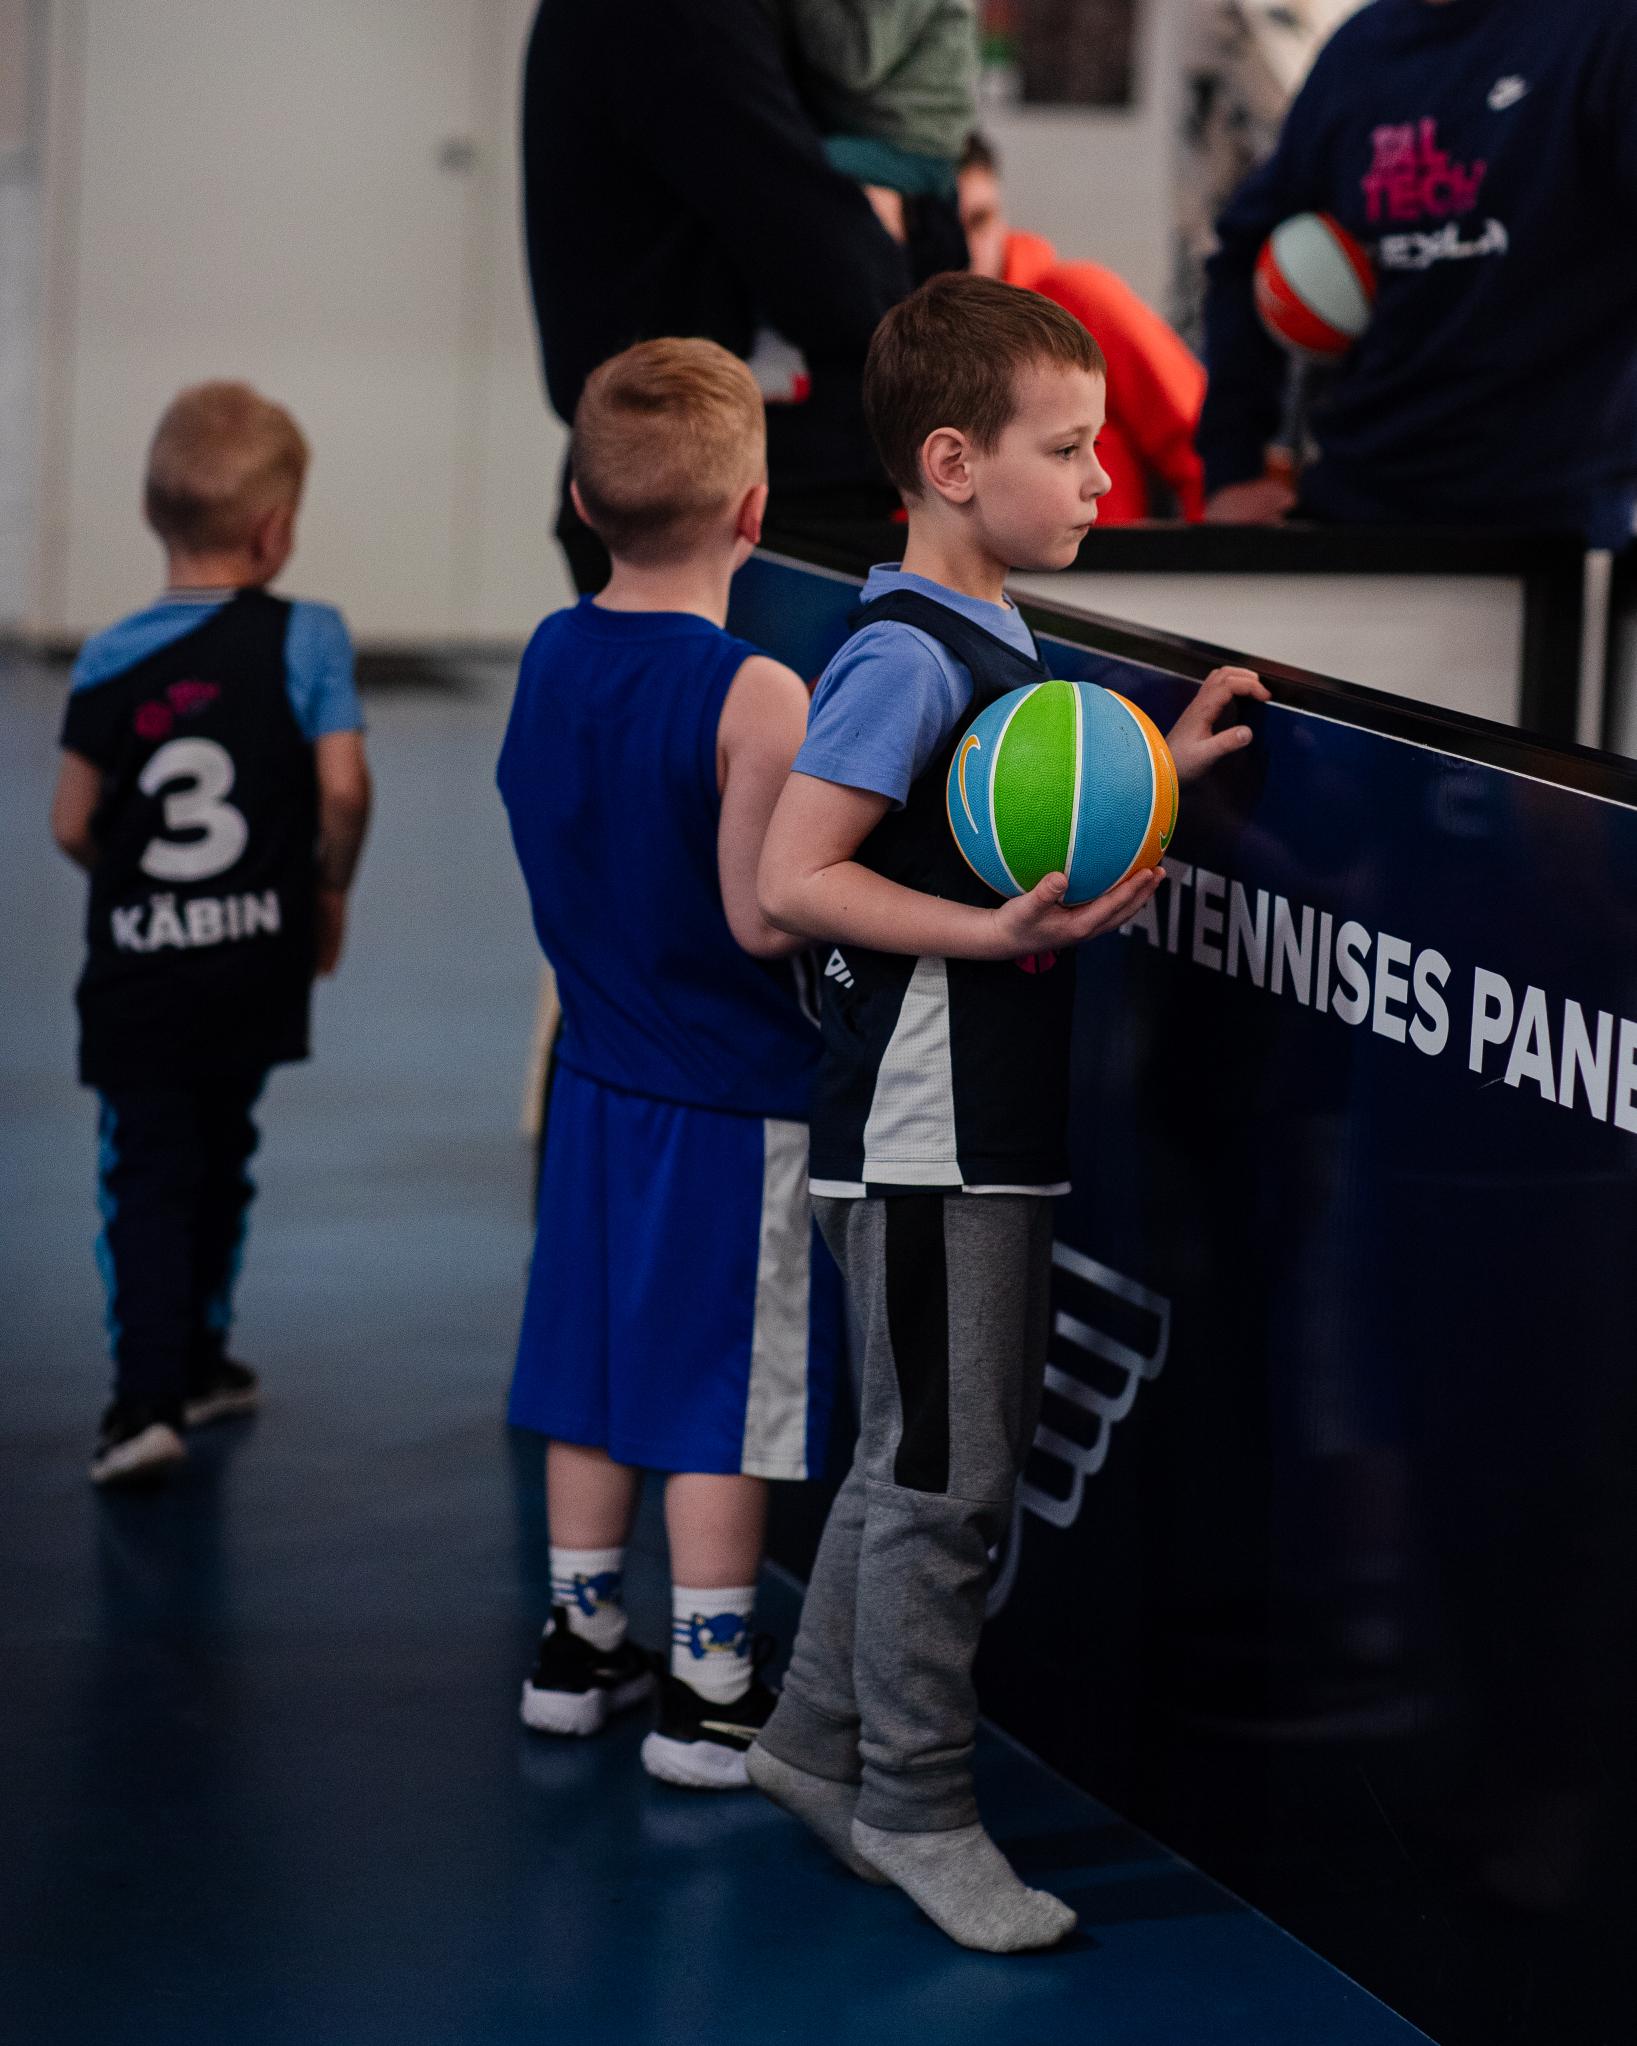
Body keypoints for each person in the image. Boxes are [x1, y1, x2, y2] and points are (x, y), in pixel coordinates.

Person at [745, 274, 1268, 1949]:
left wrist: (1159, 763)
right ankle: (915, 1804)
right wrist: (986, 939)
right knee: (949, 1483)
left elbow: (999, 813)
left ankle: (812, 1745)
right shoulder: (902, 654)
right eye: (1071, 447)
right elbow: (793, 879)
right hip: (925, 1137)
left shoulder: (984, 634)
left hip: (975, 1128)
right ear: (955, 464)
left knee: (912, 1458)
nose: (1104, 476)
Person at [497, 338, 841, 1791]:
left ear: (582, 500)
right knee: (719, 1393)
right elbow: (763, 915)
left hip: (593, 1079)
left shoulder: (548, 650)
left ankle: (578, 1647)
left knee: (589, 1369)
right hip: (730, 1104)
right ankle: (709, 1688)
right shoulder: (756, 692)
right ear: (754, 512)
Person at [50, 382, 371, 1488]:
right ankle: (200, 1360)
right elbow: (344, 790)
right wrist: (327, 890)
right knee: (225, 1145)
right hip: (257, 956)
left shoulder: (104, 657)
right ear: (274, 530)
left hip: (140, 972)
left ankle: (144, 1401)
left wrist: (131, 879)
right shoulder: (308, 636)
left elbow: (69, 824)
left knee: (145, 1168)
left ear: (154, 514)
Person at [1198, 0, 1637, 542]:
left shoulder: (1606, 29)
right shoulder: (1358, 51)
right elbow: (1243, 252)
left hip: (1558, 529)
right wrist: (1233, 468)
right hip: (1358, 513)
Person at [522, 0, 917, 595]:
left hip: (718, 478)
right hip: (721, 495)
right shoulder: (679, 19)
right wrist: (880, 237)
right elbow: (838, 278)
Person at [958, 130, 1207, 522]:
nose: (967, 249)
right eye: (946, 226)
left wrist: (1213, 555)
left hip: (1110, 558)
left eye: (980, 221)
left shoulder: (1077, 302)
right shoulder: (897, 346)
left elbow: (1201, 439)